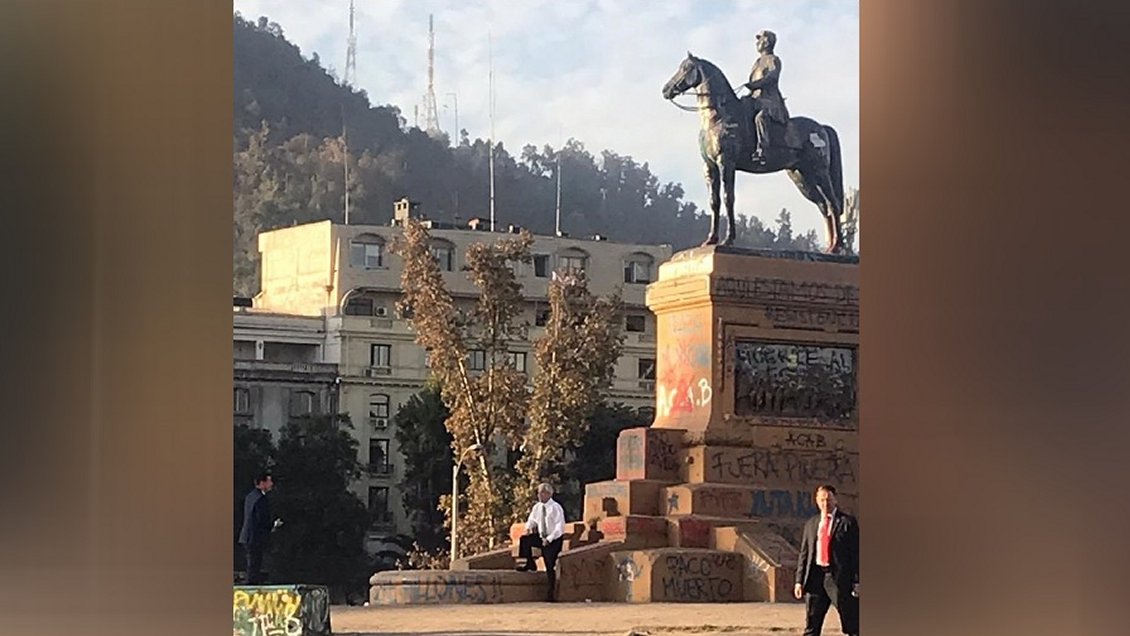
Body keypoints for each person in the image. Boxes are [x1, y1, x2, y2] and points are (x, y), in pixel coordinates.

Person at [794, 484, 859, 636]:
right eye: (822, 500)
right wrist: (799, 581)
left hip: (838, 579)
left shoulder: (847, 522)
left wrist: (857, 580)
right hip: (815, 578)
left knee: (852, 623)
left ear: (835, 500)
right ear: (817, 501)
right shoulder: (811, 524)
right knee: (812, 625)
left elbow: (856, 553)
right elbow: (804, 554)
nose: (825, 503)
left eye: (828, 499)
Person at [742, 29, 790, 162]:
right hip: (755, 99)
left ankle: (763, 149)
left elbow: (772, 77)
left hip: (769, 101)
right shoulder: (757, 62)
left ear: (767, 42)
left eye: (760, 40)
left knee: (760, 117)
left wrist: (756, 84)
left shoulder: (773, 60)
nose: (757, 43)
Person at [515, 482, 566, 602]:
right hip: (541, 536)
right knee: (525, 540)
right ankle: (529, 563)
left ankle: (551, 594)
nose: (539, 495)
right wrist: (528, 528)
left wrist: (549, 539)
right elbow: (532, 520)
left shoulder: (556, 508)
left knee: (549, 565)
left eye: (542, 493)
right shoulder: (537, 507)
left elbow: (559, 528)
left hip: (553, 540)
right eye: (538, 493)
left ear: (549, 494)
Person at [238, 471, 279, 585]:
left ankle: (251, 584)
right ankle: (251, 586)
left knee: (252, 564)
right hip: (255, 537)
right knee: (254, 565)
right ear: (262, 483)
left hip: (247, 535)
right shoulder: (261, 499)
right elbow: (262, 519)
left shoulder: (250, 496)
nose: (271, 484)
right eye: (269, 481)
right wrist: (273, 525)